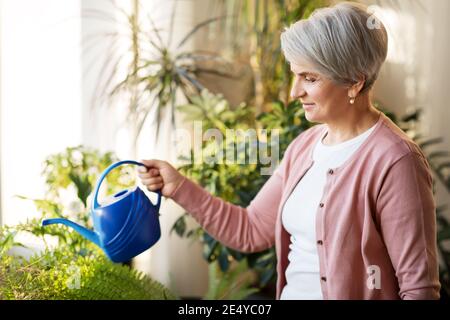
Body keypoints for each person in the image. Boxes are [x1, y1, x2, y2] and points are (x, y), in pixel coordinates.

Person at [137, 2, 440, 299]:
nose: (295, 92)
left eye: (310, 78)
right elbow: (251, 229)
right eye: (296, 75)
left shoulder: (396, 160)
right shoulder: (305, 147)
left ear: (354, 83)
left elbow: (418, 289)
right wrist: (178, 186)